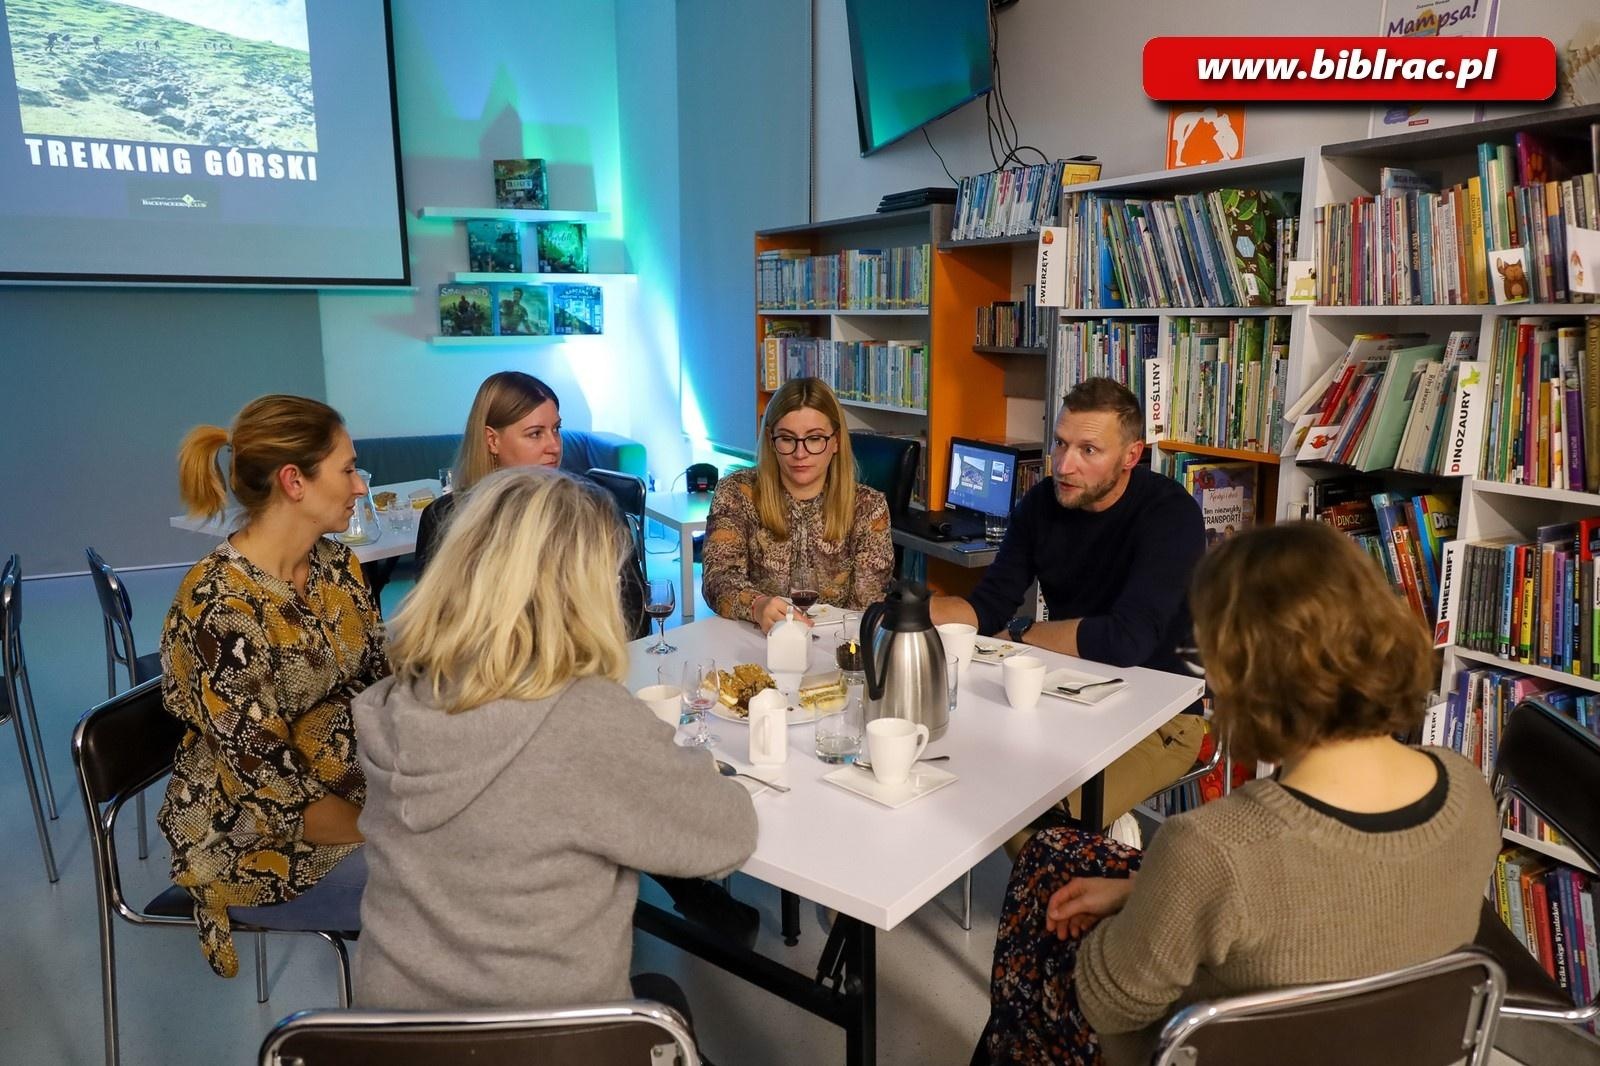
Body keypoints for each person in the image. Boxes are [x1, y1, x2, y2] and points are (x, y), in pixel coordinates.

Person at [974, 522, 1501, 1065]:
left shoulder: (1212, 849)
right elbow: (1339, 893)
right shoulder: (1467, 789)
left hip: (1198, 1046)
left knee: (1045, 931)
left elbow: (1109, 1004)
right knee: (1054, 850)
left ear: (1239, 679)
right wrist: (1147, 886)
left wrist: (1143, 914)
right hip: (1393, 1043)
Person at [353, 467, 758, 1011]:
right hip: (553, 1043)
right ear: (586, 589)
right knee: (665, 1003)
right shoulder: (585, 718)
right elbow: (729, 832)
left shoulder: (395, 703)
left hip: (388, 1041)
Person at [159, 395, 387, 979]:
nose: (359, 486)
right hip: (256, 836)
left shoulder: (335, 565)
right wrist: (401, 825)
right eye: (347, 469)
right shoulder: (220, 609)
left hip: (351, 784)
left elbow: (380, 683)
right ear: (295, 482)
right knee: (443, 876)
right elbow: (275, 794)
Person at [930, 377, 1206, 830]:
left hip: (1162, 719)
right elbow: (988, 607)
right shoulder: (1041, 503)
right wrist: (905, 609)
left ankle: (1100, 851)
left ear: (1130, 456)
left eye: (1088, 451)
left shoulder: (1169, 514)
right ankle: (1098, 843)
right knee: (968, 778)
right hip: (1069, 691)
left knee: (1040, 823)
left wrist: (1021, 633)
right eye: (1059, 443)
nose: (1064, 464)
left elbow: (1126, 640)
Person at [414, 370, 647, 637]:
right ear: (493, 440)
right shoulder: (445, 518)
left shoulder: (595, 511)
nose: (554, 446)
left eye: (556, 429)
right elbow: (435, 630)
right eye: (535, 434)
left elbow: (635, 614)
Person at [702, 376, 894, 633]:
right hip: (756, 639)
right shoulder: (736, 493)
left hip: (836, 645)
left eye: (814, 439)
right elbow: (718, 577)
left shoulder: (869, 508)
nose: (800, 453)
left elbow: (866, 605)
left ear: (836, 441)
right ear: (771, 439)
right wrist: (757, 606)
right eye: (787, 438)